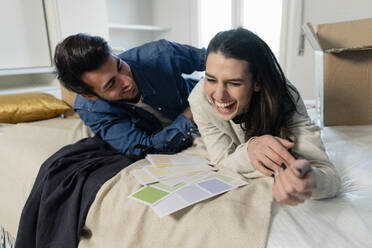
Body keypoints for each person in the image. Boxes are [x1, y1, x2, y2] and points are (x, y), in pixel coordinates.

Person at [188, 28, 341, 206]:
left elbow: (330, 177)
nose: (219, 95)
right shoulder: (200, 99)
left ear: (257, 82)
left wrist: (311, 179)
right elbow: (221, 159)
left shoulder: (286, 98)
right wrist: (250, 150)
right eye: (211, 79)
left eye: (234, 83)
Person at [54, 34, 205, 157]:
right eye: (111, 84)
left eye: (120, 66)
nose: (127, 82)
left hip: (207, 105)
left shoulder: (160, 53)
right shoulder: (90, 109)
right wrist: (191, 112)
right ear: (89, 95)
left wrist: (208, 93)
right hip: (193, 113)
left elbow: (218, 58)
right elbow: (144, 148)